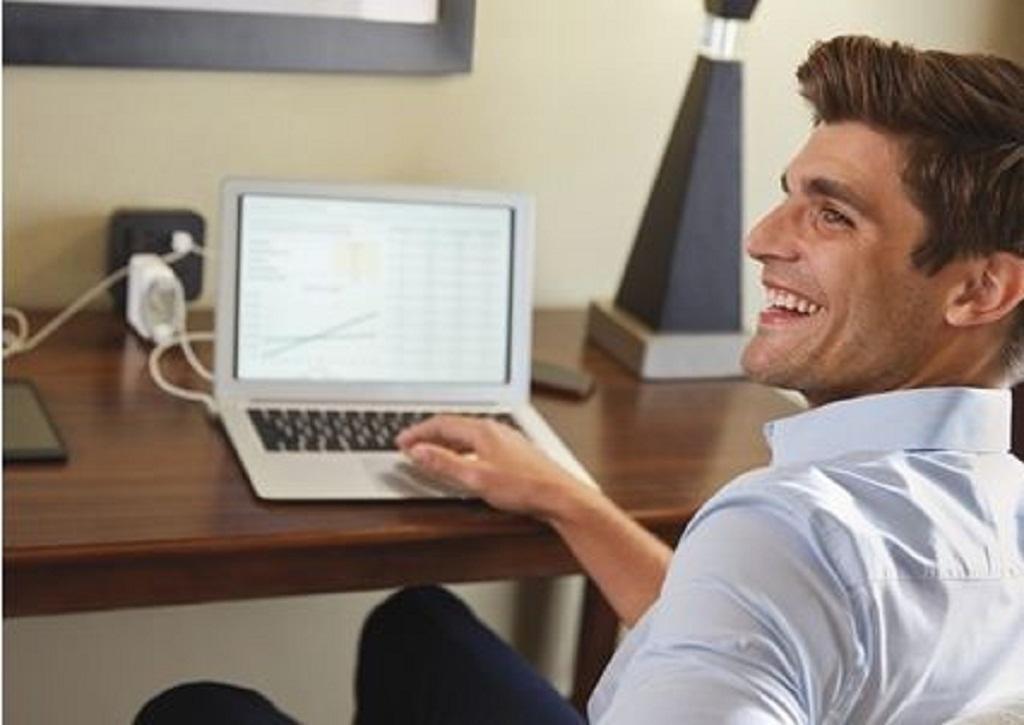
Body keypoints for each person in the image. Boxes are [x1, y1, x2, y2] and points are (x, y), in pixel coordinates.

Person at [136, 35, 1024, 724]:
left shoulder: (794, 534)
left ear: (980, 289)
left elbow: (782, 588)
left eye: (831, 214)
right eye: (788, 194)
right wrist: (564, 497)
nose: (761, 237)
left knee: (200, 710)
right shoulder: (985, 511)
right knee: (418, 621)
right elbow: (770, 626)